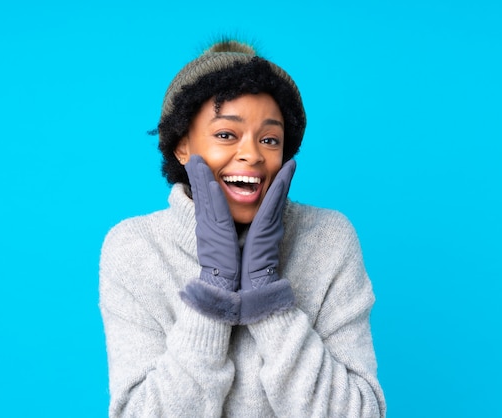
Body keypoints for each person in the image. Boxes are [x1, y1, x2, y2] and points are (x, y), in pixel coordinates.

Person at [99, 39, 386, 417]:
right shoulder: (134, 248)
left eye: (269, 139)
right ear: (183, 146)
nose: (251, 154)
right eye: (226, 135)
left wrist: (268, 298)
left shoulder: (328, 238)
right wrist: (213, 290)